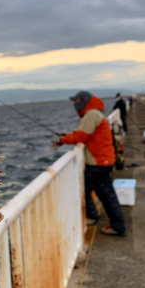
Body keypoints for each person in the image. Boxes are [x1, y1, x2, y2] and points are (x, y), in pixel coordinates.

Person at [54, 91, 126, 236]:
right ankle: (118, 226)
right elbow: (84, 134)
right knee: (107, 195)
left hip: (99, 162)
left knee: (83, 185)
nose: (75, 104)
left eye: (77, 101)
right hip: (104, 160)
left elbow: (81, 136)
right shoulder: (94, 113)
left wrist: (63, 140)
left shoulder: (91, 114)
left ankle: (92, 217)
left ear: (83, 101)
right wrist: (66, 137)